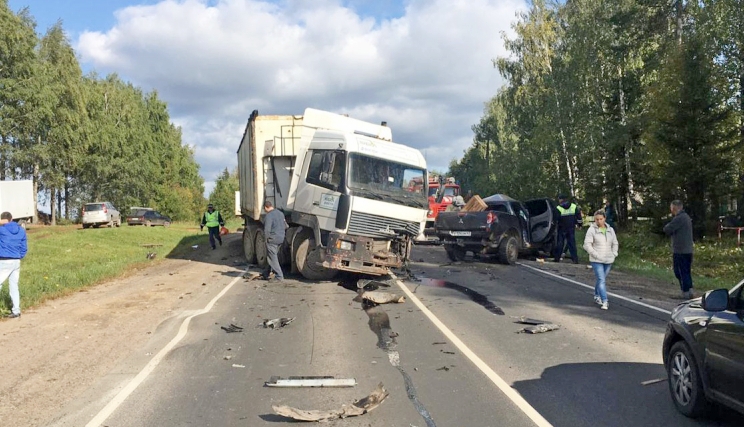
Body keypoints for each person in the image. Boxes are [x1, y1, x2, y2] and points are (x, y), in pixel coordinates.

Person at [583, 210, 619, 310]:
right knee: (601, 280)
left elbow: (615, 243)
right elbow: (587, 245)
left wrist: (614, 253)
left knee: (601, 279)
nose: (599, 221)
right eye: (597, 219)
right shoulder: (592, 230)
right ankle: (605, 300)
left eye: (601, 219)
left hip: (608, 259)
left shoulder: (610, 230)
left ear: (604, 219)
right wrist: (595, 254)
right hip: (596, 260)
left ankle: (596, 295)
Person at [663, 200, 694, 299]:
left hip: (680, 250)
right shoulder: (686, 217)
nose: (671, 210)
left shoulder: (679, 218)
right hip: (688, 250)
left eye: (671, 207)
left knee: (679, 271)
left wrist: (667, 225)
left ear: (675, 207)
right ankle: (689, 290)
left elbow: (667, 229)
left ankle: (685, 292)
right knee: (686, 271)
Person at [0, 212, 28, 318]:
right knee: (14, 286)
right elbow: (24, 247)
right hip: (16, 261)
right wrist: (19, 256)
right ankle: (16, 310)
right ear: (12, 219)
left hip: (4, 260)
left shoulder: (2, 230)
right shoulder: (21, 230)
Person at [553, 194, 582, 263]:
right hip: (571, 227)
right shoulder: (573, 206)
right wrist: (579, 225)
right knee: (572, 243)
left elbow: (556, 219)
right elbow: (579, 217)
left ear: (561, 200)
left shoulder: (558, 208)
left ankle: (557, 258)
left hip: (562, 228)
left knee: (560, 243)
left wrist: (554, 226)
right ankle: (575, 259)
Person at [262, 200, 285, 282]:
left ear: (266, 207)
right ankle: (266, 273)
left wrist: (266, 239)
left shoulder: (269, 216)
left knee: (272, 257)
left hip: (272, 239)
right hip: (281, 238)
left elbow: (267, 230)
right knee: (272, 256)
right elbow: (286, 226)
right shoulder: (281, 213)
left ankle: (279, 276)